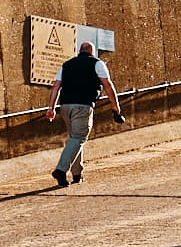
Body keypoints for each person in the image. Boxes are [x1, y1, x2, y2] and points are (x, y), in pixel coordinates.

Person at [45, 40, 124, 187]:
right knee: (79, 137)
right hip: (83, 106)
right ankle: (60, 170)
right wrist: (116, 107)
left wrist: (51, 108)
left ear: (80, 51)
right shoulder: (97, 63)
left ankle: (77, 174)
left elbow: (56, 87)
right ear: (92, 52)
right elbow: (107, 85)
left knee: (74, 139)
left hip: (65, 107)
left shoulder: (66, 64)